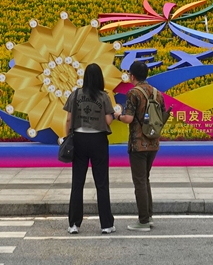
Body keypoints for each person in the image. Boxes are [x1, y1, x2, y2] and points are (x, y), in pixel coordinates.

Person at [63, 63, 115, 234]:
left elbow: (69, 120)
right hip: (98, 140)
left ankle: (74, 224)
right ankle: (106, 224)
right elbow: (108, 121)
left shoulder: (75, 94)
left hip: (78, 139)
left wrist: (67, 137)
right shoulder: (103, 97)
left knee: (77, 183)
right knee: (101, 183)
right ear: (100, 78)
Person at [116, 60, 160, 231]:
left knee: (140, 181)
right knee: (145, 179)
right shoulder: (156, 93)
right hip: (153, 142)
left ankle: (143, 221)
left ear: (132, 76)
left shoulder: (133, 93)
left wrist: (117, 115)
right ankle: (148, 216)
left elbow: (128, 118)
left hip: (138, 144)